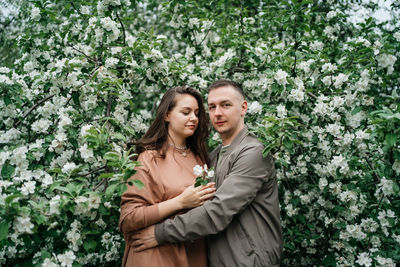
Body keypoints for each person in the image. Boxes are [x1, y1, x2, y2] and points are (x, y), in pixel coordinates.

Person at [131, 80, 283, 267]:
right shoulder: (211, 157)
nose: (218, 113)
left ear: (243, 108)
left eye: (226, 105)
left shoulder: (253, 152)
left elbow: (218, 211)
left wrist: (159, 233)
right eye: (212, 107)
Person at [119, 86, 216, 267]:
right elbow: (128, 218)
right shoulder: (148, 158)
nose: (193, 118)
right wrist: (180, 202)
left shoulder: (199, 157)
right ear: (166, 116)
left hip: (193, 253)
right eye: (185, 112)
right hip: (156, 256)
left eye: (196, 113)